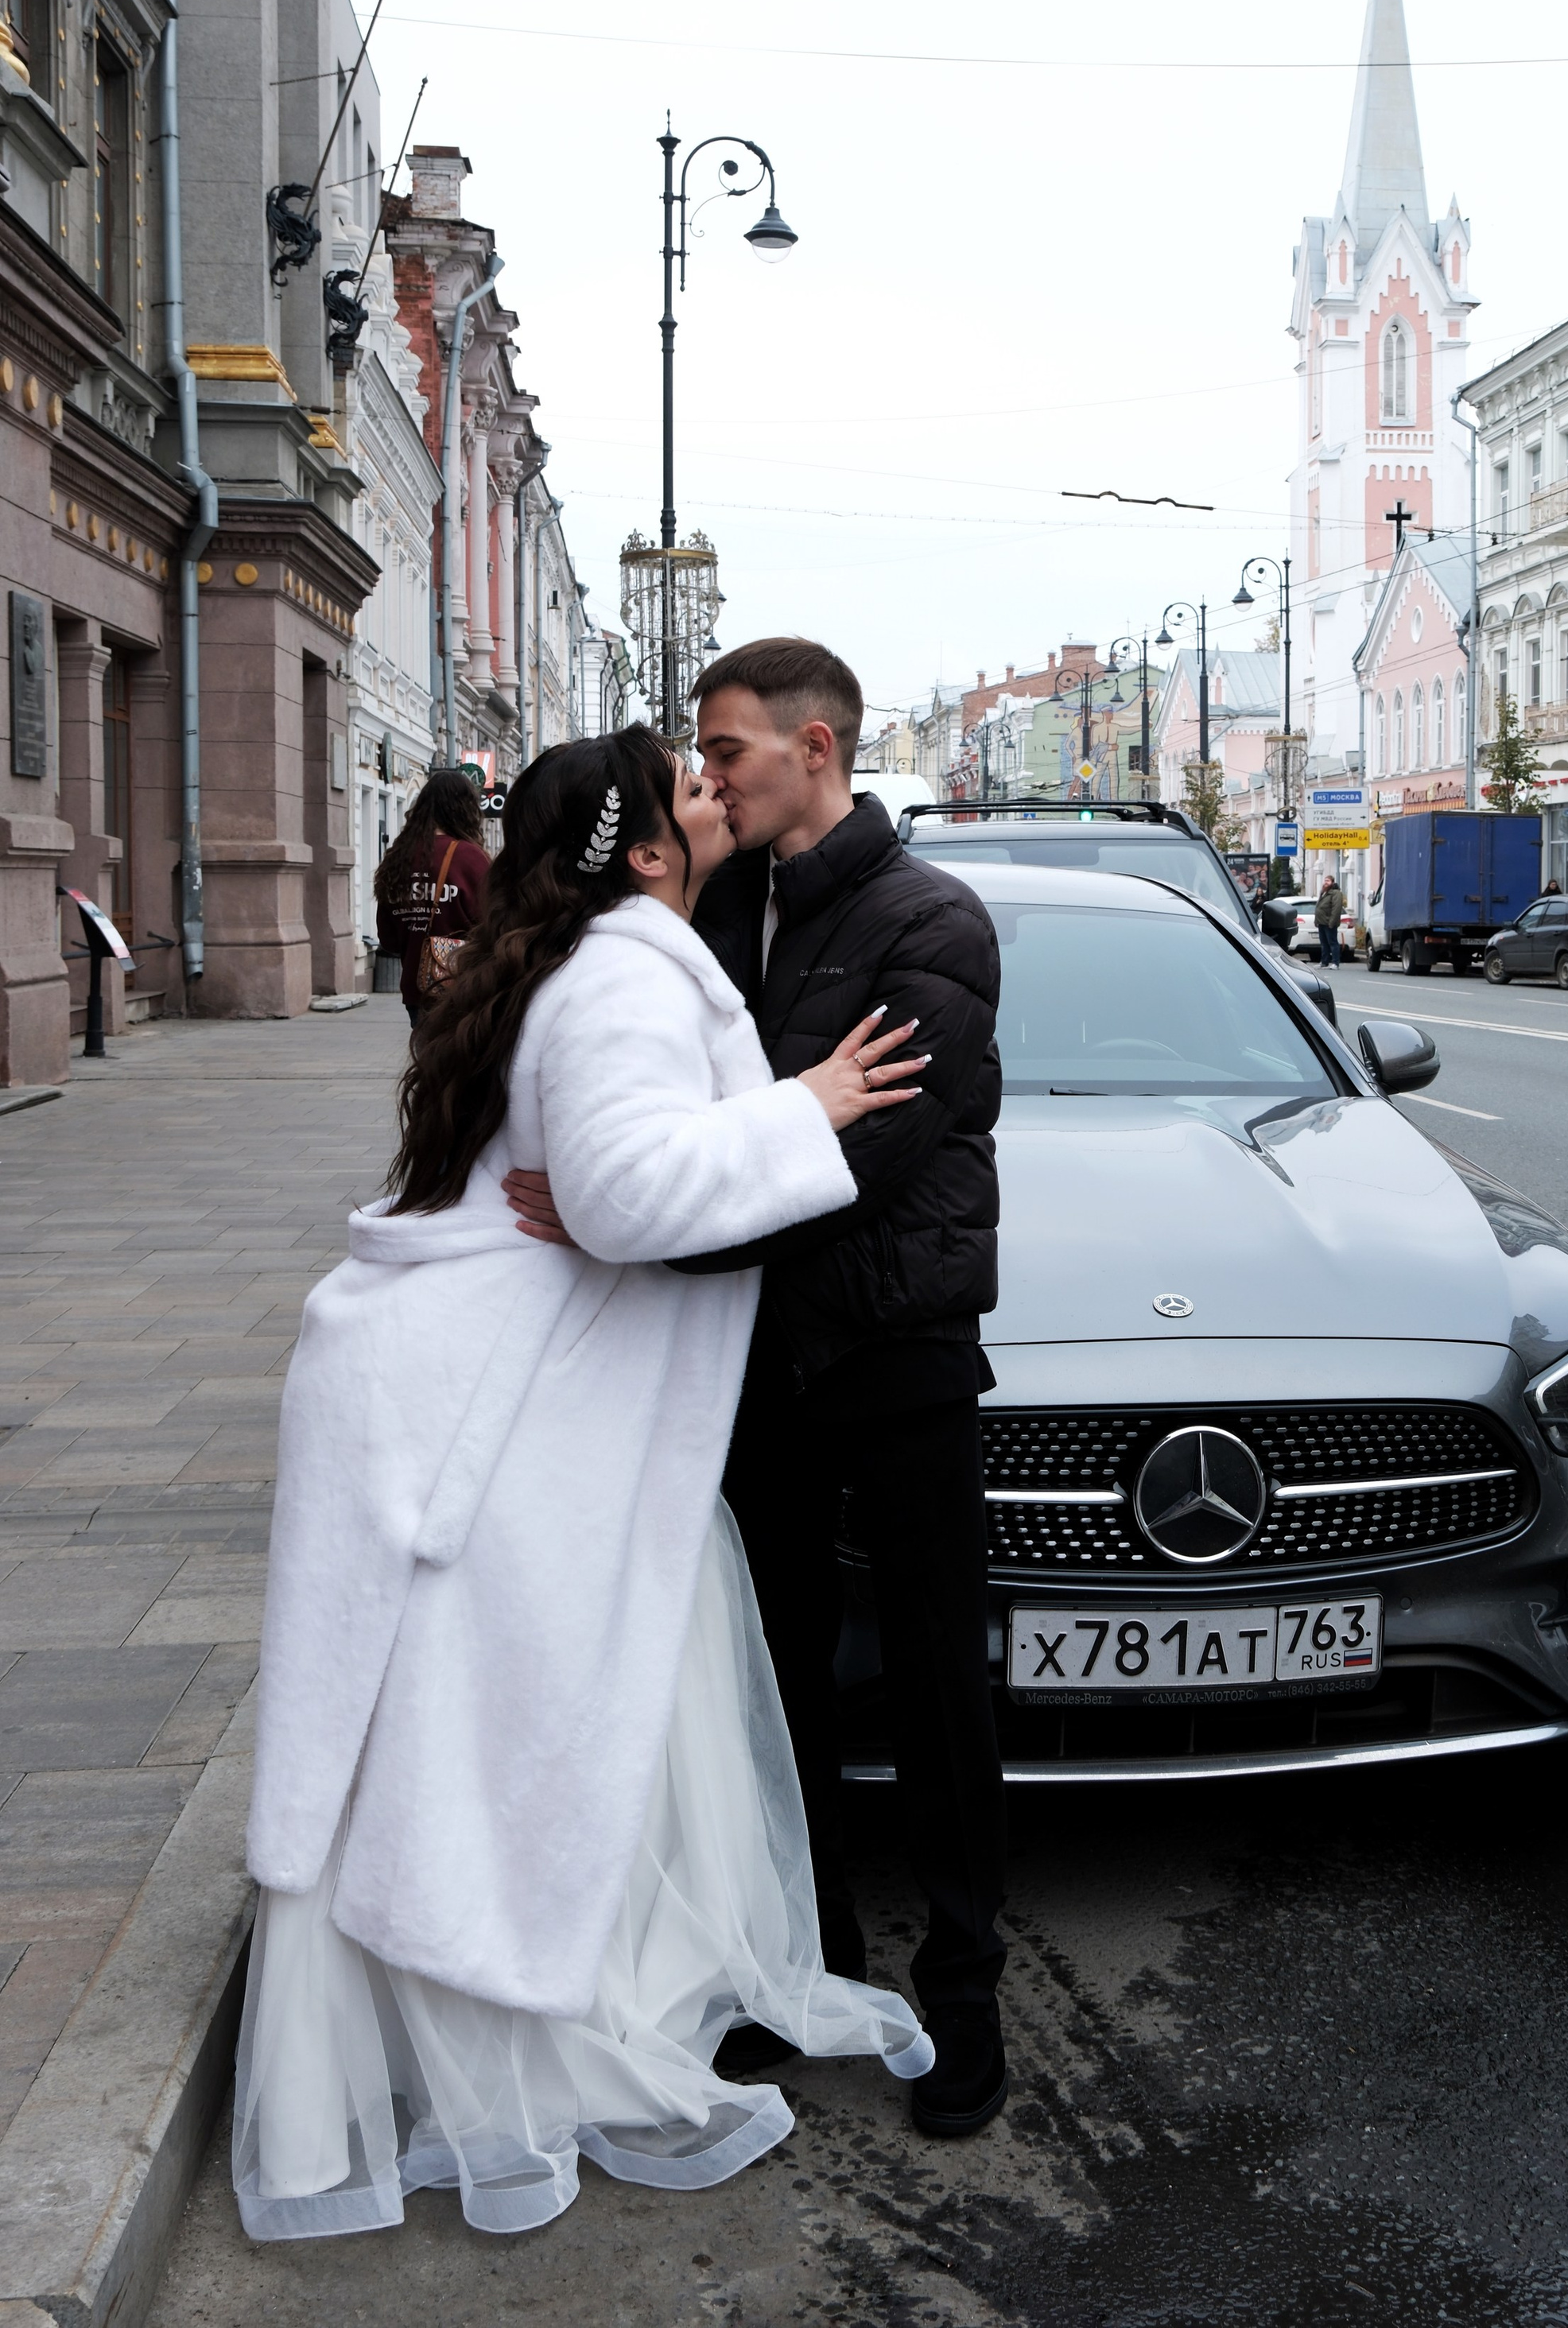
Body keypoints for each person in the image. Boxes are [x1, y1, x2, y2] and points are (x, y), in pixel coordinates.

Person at [233, 726, 935, 2242]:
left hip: (514, 1412)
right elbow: (619, 1193)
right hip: (531, 1432)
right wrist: (804, 1108)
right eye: (686, 782)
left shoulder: (589, 955)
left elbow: (581, 1176)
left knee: (520, 1741)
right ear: (640, 849)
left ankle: (529, 2002)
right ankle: (540, 2039)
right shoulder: (625, 968)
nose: (712, 787)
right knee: (560, 1740)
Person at [507, 636, 1007, 2138]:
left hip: (898, 1349)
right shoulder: (714, 906)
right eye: (704, 758)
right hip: (751, 1361)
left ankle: (967, 1987)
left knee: (931, 1683)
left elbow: (866, 1154)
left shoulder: (936, 917)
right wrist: (621, 1180)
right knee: (774, 1676)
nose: (713, 772)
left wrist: (637, 1219)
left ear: (818, 743)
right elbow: (655, 1105)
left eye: (731, 747)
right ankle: (807, 1960)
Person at [374, 769, 491, 1022]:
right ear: (465, 809)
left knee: (427, 1058)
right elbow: (493, 928)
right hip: (464, 988)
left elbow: (389, 940)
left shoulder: (398, 858)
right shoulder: (471, 858)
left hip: (416, 989)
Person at [1315, 870, 1346, 968]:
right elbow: (1319, 907)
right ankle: (1324, 962)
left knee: (1333, 943)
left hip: (1329, 922)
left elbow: (1336, 908)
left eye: (1328, 881)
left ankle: (1335, 962)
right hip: (1322, 922)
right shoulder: (1324, 893)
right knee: (1324, 943)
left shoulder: (1335, 893)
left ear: (1332, 882)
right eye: (1325, 881)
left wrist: (1332, 922)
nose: (1326, 883)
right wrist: (1317, 921)